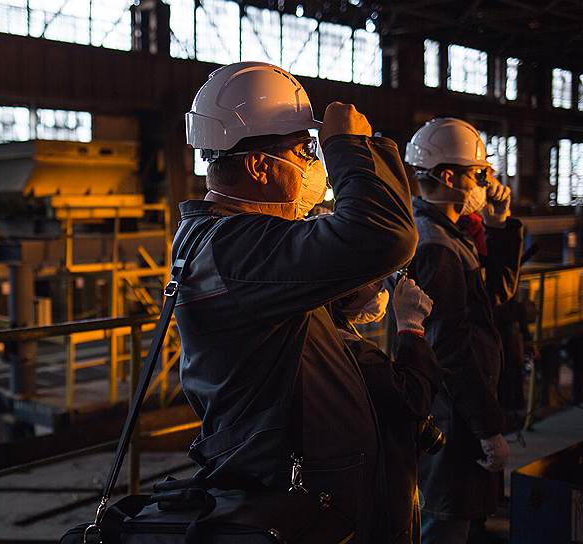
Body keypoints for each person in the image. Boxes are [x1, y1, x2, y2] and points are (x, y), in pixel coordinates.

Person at [172, 61, 418, 543]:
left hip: (312, 497)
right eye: (304, 150)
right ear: (260, 166)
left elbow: (268, 325)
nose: (312, 163)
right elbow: (386, 235)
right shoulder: (234, 246)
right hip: (296, 506)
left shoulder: (235, 240)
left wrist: (339, 301)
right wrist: (349, 147)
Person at [403, 118, 524, 543]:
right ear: (448, 176)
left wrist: (499, 223)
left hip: (461, 411)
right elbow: (449, 348)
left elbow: (497, 294)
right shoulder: (435, 243)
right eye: (479, 175)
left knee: (459, 516)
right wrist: (488, 428)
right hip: (451, 416)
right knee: (446, 521)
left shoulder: (452, 235)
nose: (485, 185)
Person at [329, 275, 442, 544]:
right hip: (374, 499)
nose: (381, 286)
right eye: (372, 278)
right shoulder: (347, 348)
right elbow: (411, 399)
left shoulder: (330, 332)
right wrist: (411, 325)